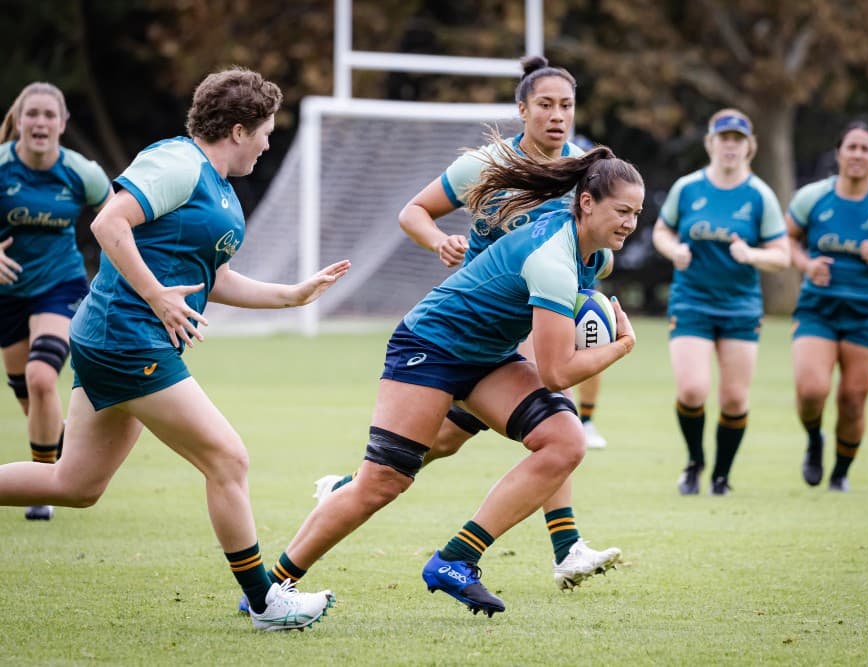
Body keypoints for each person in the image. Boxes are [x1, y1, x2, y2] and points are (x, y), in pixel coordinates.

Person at [0, 67, 348, 631]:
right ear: (238, 130)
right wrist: (157, 295)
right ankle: (266, 601)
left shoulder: (219, 187)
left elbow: (219, 279)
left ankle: (265, 601)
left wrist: (291, 295)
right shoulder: (178, 162)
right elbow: (109, 224)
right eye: (265, 131)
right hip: (125, 335)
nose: (267, 142)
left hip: (118, 336)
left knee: (76, 485)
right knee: (228, 458)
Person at [267, 139, 641, 618]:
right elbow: (555, 373)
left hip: (487, 356)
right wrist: (620, 346)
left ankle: (456, 559)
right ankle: (270, 588)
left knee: (564, 441)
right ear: (586, 203)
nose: (630, 223)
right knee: (383, 481)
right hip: (431, 344)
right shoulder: (553, 261)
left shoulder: (587, 251)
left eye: (637, 212)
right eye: (622, 211)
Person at [310, 56, 621, 593]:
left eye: (566, 105)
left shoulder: (584, 175)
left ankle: (565, 547)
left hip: (528, 316)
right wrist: (439, 240)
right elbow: (414, 211)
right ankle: (349, 488)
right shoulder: (487, 165)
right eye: (544, 105)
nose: (557, 116)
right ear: (522, 109)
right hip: (472, 318)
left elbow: (590, 241)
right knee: (510, 424)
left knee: (519, 427)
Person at [652, 109, 789, 496]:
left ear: (750, 146)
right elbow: (662, 230)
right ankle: (695, 462)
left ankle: (721, 477)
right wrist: (673, 249)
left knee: (733, 398)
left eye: (738, 139)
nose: (731, 145)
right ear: (711, 143)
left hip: (740, 306)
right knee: (693, 390)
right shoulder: (688, 188)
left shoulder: (760, 195)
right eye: (724, 138)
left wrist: (753, 255)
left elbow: (782, 256)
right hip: (691, 301)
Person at [0, 82, 112, 521]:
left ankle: (43, 483)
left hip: (61, 285)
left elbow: (119, 221)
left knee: (43, 378)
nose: (41, 123)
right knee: (28, 394)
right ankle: (55, 441)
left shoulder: (83, 172)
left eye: (50, 115)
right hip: (7, 294)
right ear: (21, 120)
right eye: (33, 114)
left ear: (62, 124)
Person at [787, 121, 868, 492]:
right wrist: (807, 264)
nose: (857, 155)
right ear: (839, 153)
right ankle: (814, 442)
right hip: (818, 309)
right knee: (812, 390)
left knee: (853, 400)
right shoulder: (812, 197)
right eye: (852, 147)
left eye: (865, 149)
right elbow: (788, 241)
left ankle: (841, 474)